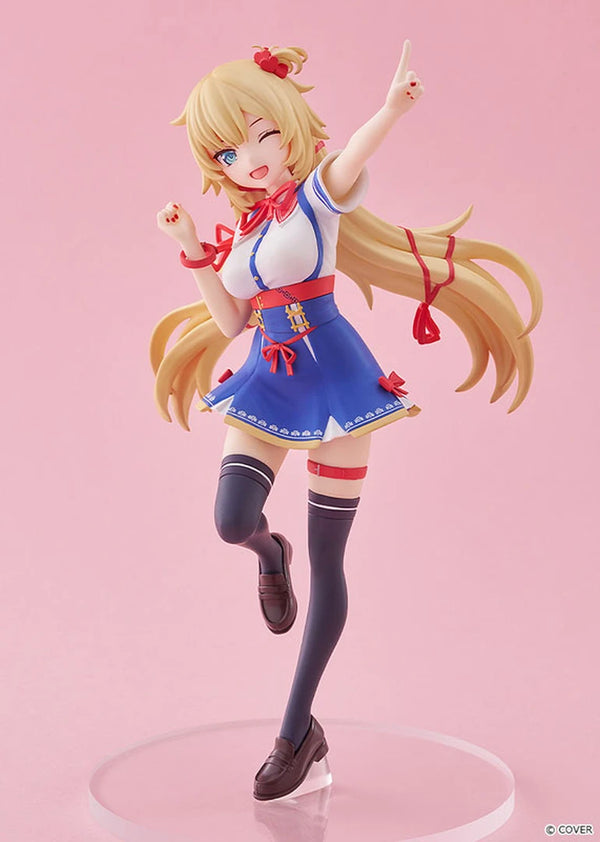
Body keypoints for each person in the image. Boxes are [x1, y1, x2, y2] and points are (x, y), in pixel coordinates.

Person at [151, 42, 541, 801]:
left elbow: (355, 152)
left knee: (329, 563)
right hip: (267, 379)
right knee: (232, 521)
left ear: (290, 128)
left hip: (336, 385)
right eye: (229, 152)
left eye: (263, 135)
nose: (250, 159)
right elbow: (230, 321)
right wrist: (192, 248)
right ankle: (270, 553)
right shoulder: (246, 232)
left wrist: (392, 108)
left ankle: (296, 733)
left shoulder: (315, 198)